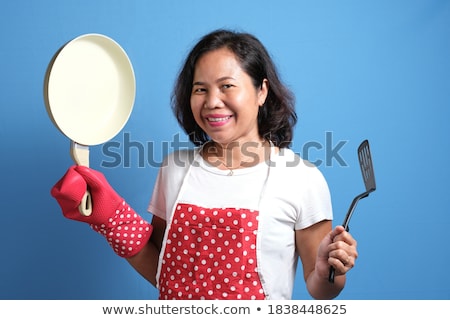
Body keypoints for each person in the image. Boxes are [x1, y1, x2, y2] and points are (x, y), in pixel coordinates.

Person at [51, 29, 358, 300]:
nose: (212, 101)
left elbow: (322, 289)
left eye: (227, 86)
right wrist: (109, 217)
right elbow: (161, 269)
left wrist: (327, 271)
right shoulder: (175, 169)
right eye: (200, 89)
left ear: (261, 91)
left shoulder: (301, 179)